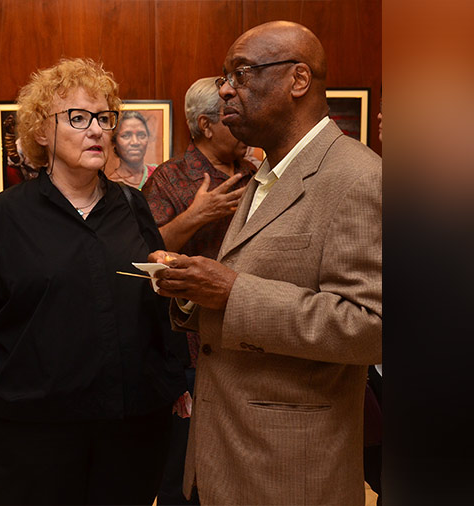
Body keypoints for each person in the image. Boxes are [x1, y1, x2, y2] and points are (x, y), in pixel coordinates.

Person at [149, 21, 382, 505]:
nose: (225, 90)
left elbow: (369, 326)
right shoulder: (263, 176)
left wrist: (233, 293)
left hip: (290, 469)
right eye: (225, 77)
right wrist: (193, 292)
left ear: (298, 81)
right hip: (222, 458)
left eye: (242, 74)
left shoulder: (358, 177)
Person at [0, 57, 187, 505]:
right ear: (42, 132)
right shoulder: (4, 216)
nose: (98, 130)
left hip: (130, 425)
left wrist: (174, 374)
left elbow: (156, 296)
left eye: (104, 118)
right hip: (33, 430)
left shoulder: (131, 205)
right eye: (79, 118)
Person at [142, 77, 256, 505]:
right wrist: (196, 215)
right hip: (189, 354)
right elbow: (146, 254)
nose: (239, 119)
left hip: (252, 342)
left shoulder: (256, 174)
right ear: (206, 125)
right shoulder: (168, 179)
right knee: (183, 479)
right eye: (230, 114)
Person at [109, 110, 157, 189]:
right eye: (126, 135)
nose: (135, 142)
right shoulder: (110, 186)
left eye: (141, 135)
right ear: (114, 142)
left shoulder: (159, 175)